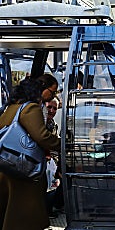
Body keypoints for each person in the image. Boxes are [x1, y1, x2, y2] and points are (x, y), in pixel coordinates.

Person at [0, 78, 60, 230]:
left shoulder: (12, 106)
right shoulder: (31, 108)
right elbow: (41, 136)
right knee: (26, 214)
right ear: (42, 88)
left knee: (9, 211)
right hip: (23, 169)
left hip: (7, 165)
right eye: (52, 92)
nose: (52, 97)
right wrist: (61, 144)